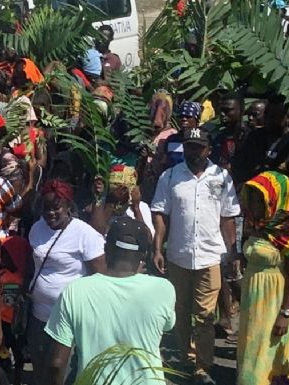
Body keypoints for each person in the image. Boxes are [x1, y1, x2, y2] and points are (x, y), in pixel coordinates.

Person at [151, 127, 240, 385]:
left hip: (210, 256)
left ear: (208, 149)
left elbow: (228, 217)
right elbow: (161, 214)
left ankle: (203, 366)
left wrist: (232, 252)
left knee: (204, 315)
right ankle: (184, 356)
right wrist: (158, 248)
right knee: (180, 310)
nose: (194, 152)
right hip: (178, 254)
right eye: (190, 146)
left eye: (199, 147)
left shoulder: (222, 177)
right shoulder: (169, 177)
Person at [46, 217, 176, 385]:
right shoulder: (163, 289)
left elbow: (57, 364)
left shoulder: (75, 290)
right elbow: (166, 325)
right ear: (144, 254)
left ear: (106, 248)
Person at [26, 179, 106, 384]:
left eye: (56, 208)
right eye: (46, 208)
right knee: (39, 366)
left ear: (69, 206)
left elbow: (100, 277)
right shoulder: (37, 228)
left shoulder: (84, 234)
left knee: (59, 370)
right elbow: (32, 263)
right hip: (39, 313)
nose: (50, 214)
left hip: (68, 318)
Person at [237, 171, 289, 385]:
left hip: (274, 301)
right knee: (250, 347)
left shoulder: (287, 229)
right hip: (252, 298)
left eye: (260, 196)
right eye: (253, 196)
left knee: (267, 351)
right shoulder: (256, 225)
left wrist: (284, 313)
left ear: (275, 197)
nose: (255, 202)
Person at [0, 236, 30, 385]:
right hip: (5, 322)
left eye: (5, 255)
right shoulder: (4, 274)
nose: (2, 258)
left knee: (16, 353)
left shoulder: (16, 279)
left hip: (13, 323)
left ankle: (15, 378)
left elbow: (11, 302)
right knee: (6, 354)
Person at [89, 165, 155, 237]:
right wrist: (111, 203)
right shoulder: (101, 206)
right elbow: (96, 233)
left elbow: (148, 238)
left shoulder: (142, 207)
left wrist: (136, 208)